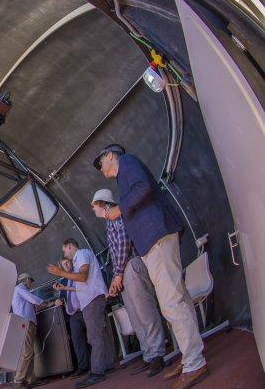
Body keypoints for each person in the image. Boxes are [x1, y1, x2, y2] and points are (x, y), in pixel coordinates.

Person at [93, 144, 208, 389]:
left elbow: (144, 188)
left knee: (171, 302)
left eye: (100, 162)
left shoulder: (129, 162)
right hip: (152, 242)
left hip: (156, 236)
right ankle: (190, 355)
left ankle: (194, 363)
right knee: (179, 298)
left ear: (111, 156)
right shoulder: (123, 176)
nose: (100, 168)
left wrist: (118, 211)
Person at [91, 188, 166, 377]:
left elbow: (124, 244)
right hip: (123, 272)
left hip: (131, 265)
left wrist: (117, 275)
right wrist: (116, 278)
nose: (93, 210)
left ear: (104, 204)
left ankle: (158, 354)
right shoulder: (109, 222)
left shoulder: (116, 216)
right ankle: (149, 356)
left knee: (144, 311)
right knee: (135, 316)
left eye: (94, 206)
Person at [48, 239, 114, 388]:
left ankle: (97, 372)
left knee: (94, 337)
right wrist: (65, 288)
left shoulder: (82, 254)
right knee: (99, 334)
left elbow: (83, 276)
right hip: (90, 301)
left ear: (70, 246)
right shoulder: (79, 259)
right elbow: (82, 284)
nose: (64, 253)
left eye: (64, 250)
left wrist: (61, 272)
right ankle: (108, 364)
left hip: (92, 301)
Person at [53, 258, 90, 379]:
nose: (67, 265)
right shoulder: (64, 280)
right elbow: (63, 296)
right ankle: (83, 366)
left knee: (93, 337)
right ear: (61, 267)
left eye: (68, 262)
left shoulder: (79, 273)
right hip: (73, 314)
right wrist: (58, 299)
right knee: (77, 341)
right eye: (64, 264)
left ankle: (101, 364)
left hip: (85, 309)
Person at [12, 272, 46, 389]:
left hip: (27, 323)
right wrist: (44, 302)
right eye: (30, 281)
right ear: (26, 280)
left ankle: (31, 379)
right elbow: (33, 299)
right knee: (27, 353)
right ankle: (18, 380)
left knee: (29, 352)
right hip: (25, 324)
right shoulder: (19, 289)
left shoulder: (19, 290)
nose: (31, 283)